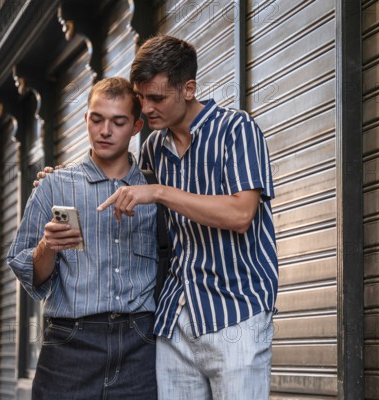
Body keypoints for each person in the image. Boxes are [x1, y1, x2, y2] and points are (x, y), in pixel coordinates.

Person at [97, 35, 279, 400]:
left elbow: (241, 213)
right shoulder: (153, 148)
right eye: (141, 97)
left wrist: (161, 192)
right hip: (175, 318)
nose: (146, 109)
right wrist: (59, 177)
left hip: (238, 311)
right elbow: (113, 179)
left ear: (189, 89)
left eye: (157, 98)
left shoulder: (237, 130)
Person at [7, 77, 158, 399]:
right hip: (70, 343)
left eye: (118, 122)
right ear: (85, 119)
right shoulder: (54, 186)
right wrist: (47, 246)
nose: (105, 131)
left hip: (140, 345)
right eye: (97, 119)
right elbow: (28, 272)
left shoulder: (156, 192)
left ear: (136, 126)